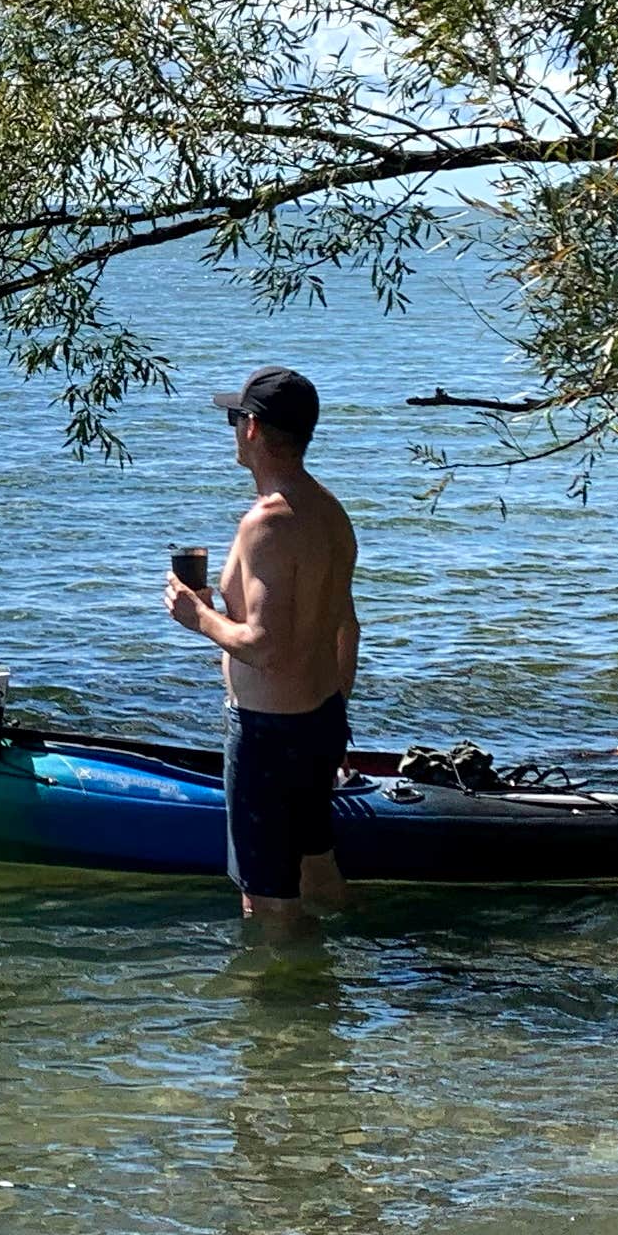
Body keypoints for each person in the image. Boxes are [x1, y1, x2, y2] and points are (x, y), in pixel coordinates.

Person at [161, 365, 361, 928]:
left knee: (267, 900)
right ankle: (353, 973)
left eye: (234, 418)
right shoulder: (330, 511)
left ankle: (287, 1009)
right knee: (316, 868)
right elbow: (348, 627)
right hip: (319, 718)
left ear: (251, 428)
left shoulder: (267, 523)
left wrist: (197, 616)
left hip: (269, 735)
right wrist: (337, 714)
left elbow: (266, 646)